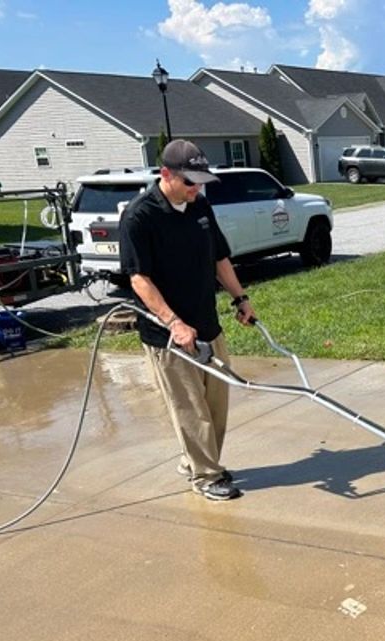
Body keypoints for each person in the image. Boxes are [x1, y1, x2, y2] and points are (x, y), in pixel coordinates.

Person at [119, 139, 256, 501]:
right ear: (166, 174)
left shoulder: (200, 207)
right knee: (191, 409)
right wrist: (173, 322)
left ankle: (194, 460)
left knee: (216, 406)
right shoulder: (139, 216)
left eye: (201, 182)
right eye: (190, 182)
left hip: (207, 322)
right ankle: (207, 476)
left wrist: (240, 297)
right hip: (169, 334)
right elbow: (139, 279)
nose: (197, 189)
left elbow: (220, 258)